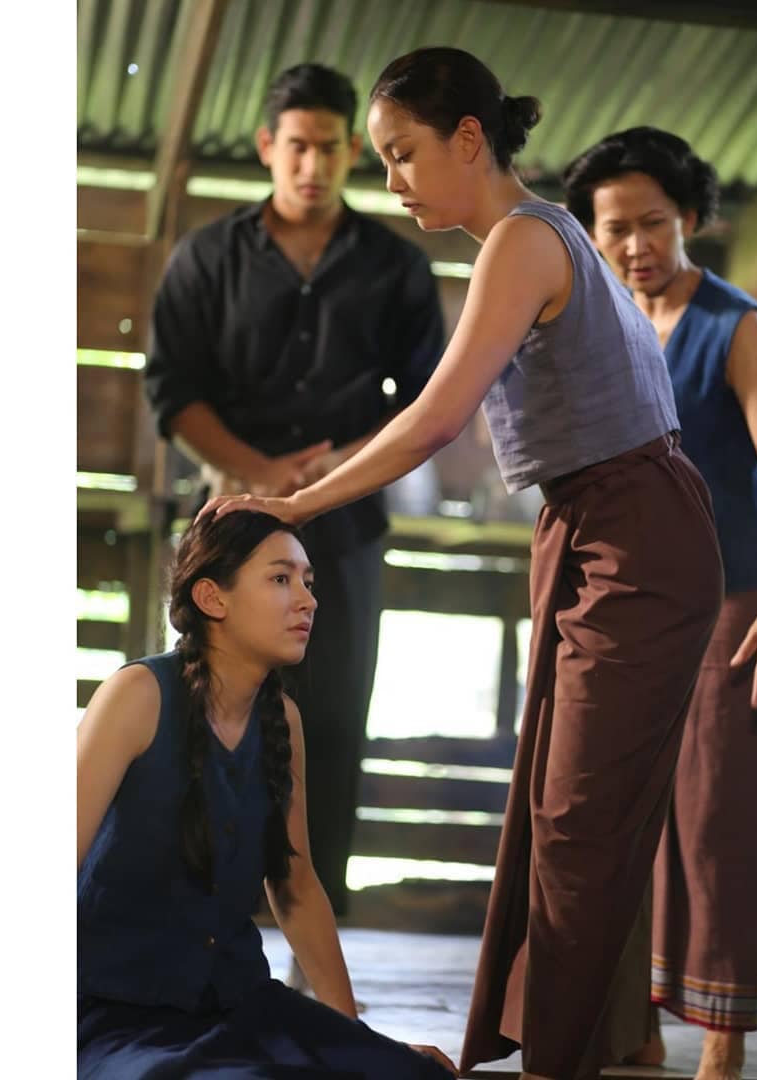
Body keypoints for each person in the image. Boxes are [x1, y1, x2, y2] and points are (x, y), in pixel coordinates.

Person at [202, 47, 724, 1080]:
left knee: (578, 819)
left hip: (638, 532)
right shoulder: (527, 239)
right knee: (560, 810)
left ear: (469, 139)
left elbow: (438, 416)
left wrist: (296, 503)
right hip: (594, 523)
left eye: (403, 152)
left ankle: (561, 1059)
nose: (391, 178)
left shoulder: (526, 239)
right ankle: (585, 1042)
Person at [143, 62, 445, 951]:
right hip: (228, 522)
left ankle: (320, 923)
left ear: (353, 149)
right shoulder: (207, 257)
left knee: (336, 714)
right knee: (210, 708)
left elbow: (429, 399)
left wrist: (338, 470)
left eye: (330, 147)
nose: (313, 165)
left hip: (345, 523)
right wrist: (259, 475)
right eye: (298, 146)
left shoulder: (396, 265)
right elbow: (172, 391)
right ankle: (199, 912)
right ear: (268, 146)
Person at [562, 126, 757, 1080]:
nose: (635, 246)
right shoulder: (601, 333)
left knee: (718, 823)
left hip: (735, 604)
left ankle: (725, 1041)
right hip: (629, 614)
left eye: (654, 223)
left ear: (690, 217)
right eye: (614, 229)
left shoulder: (738, 328)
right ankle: (638, 1026)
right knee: (628, 819)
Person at [77, 509, 456, 1077]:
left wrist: (351, 1039)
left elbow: (296, 888)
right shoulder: (138, 694)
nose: (307, 600)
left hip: (238, 1005)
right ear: (212, 598)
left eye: (308, 582)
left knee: (410, 1072)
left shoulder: (283, 719)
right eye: (281, 578)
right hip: (117, 1014)